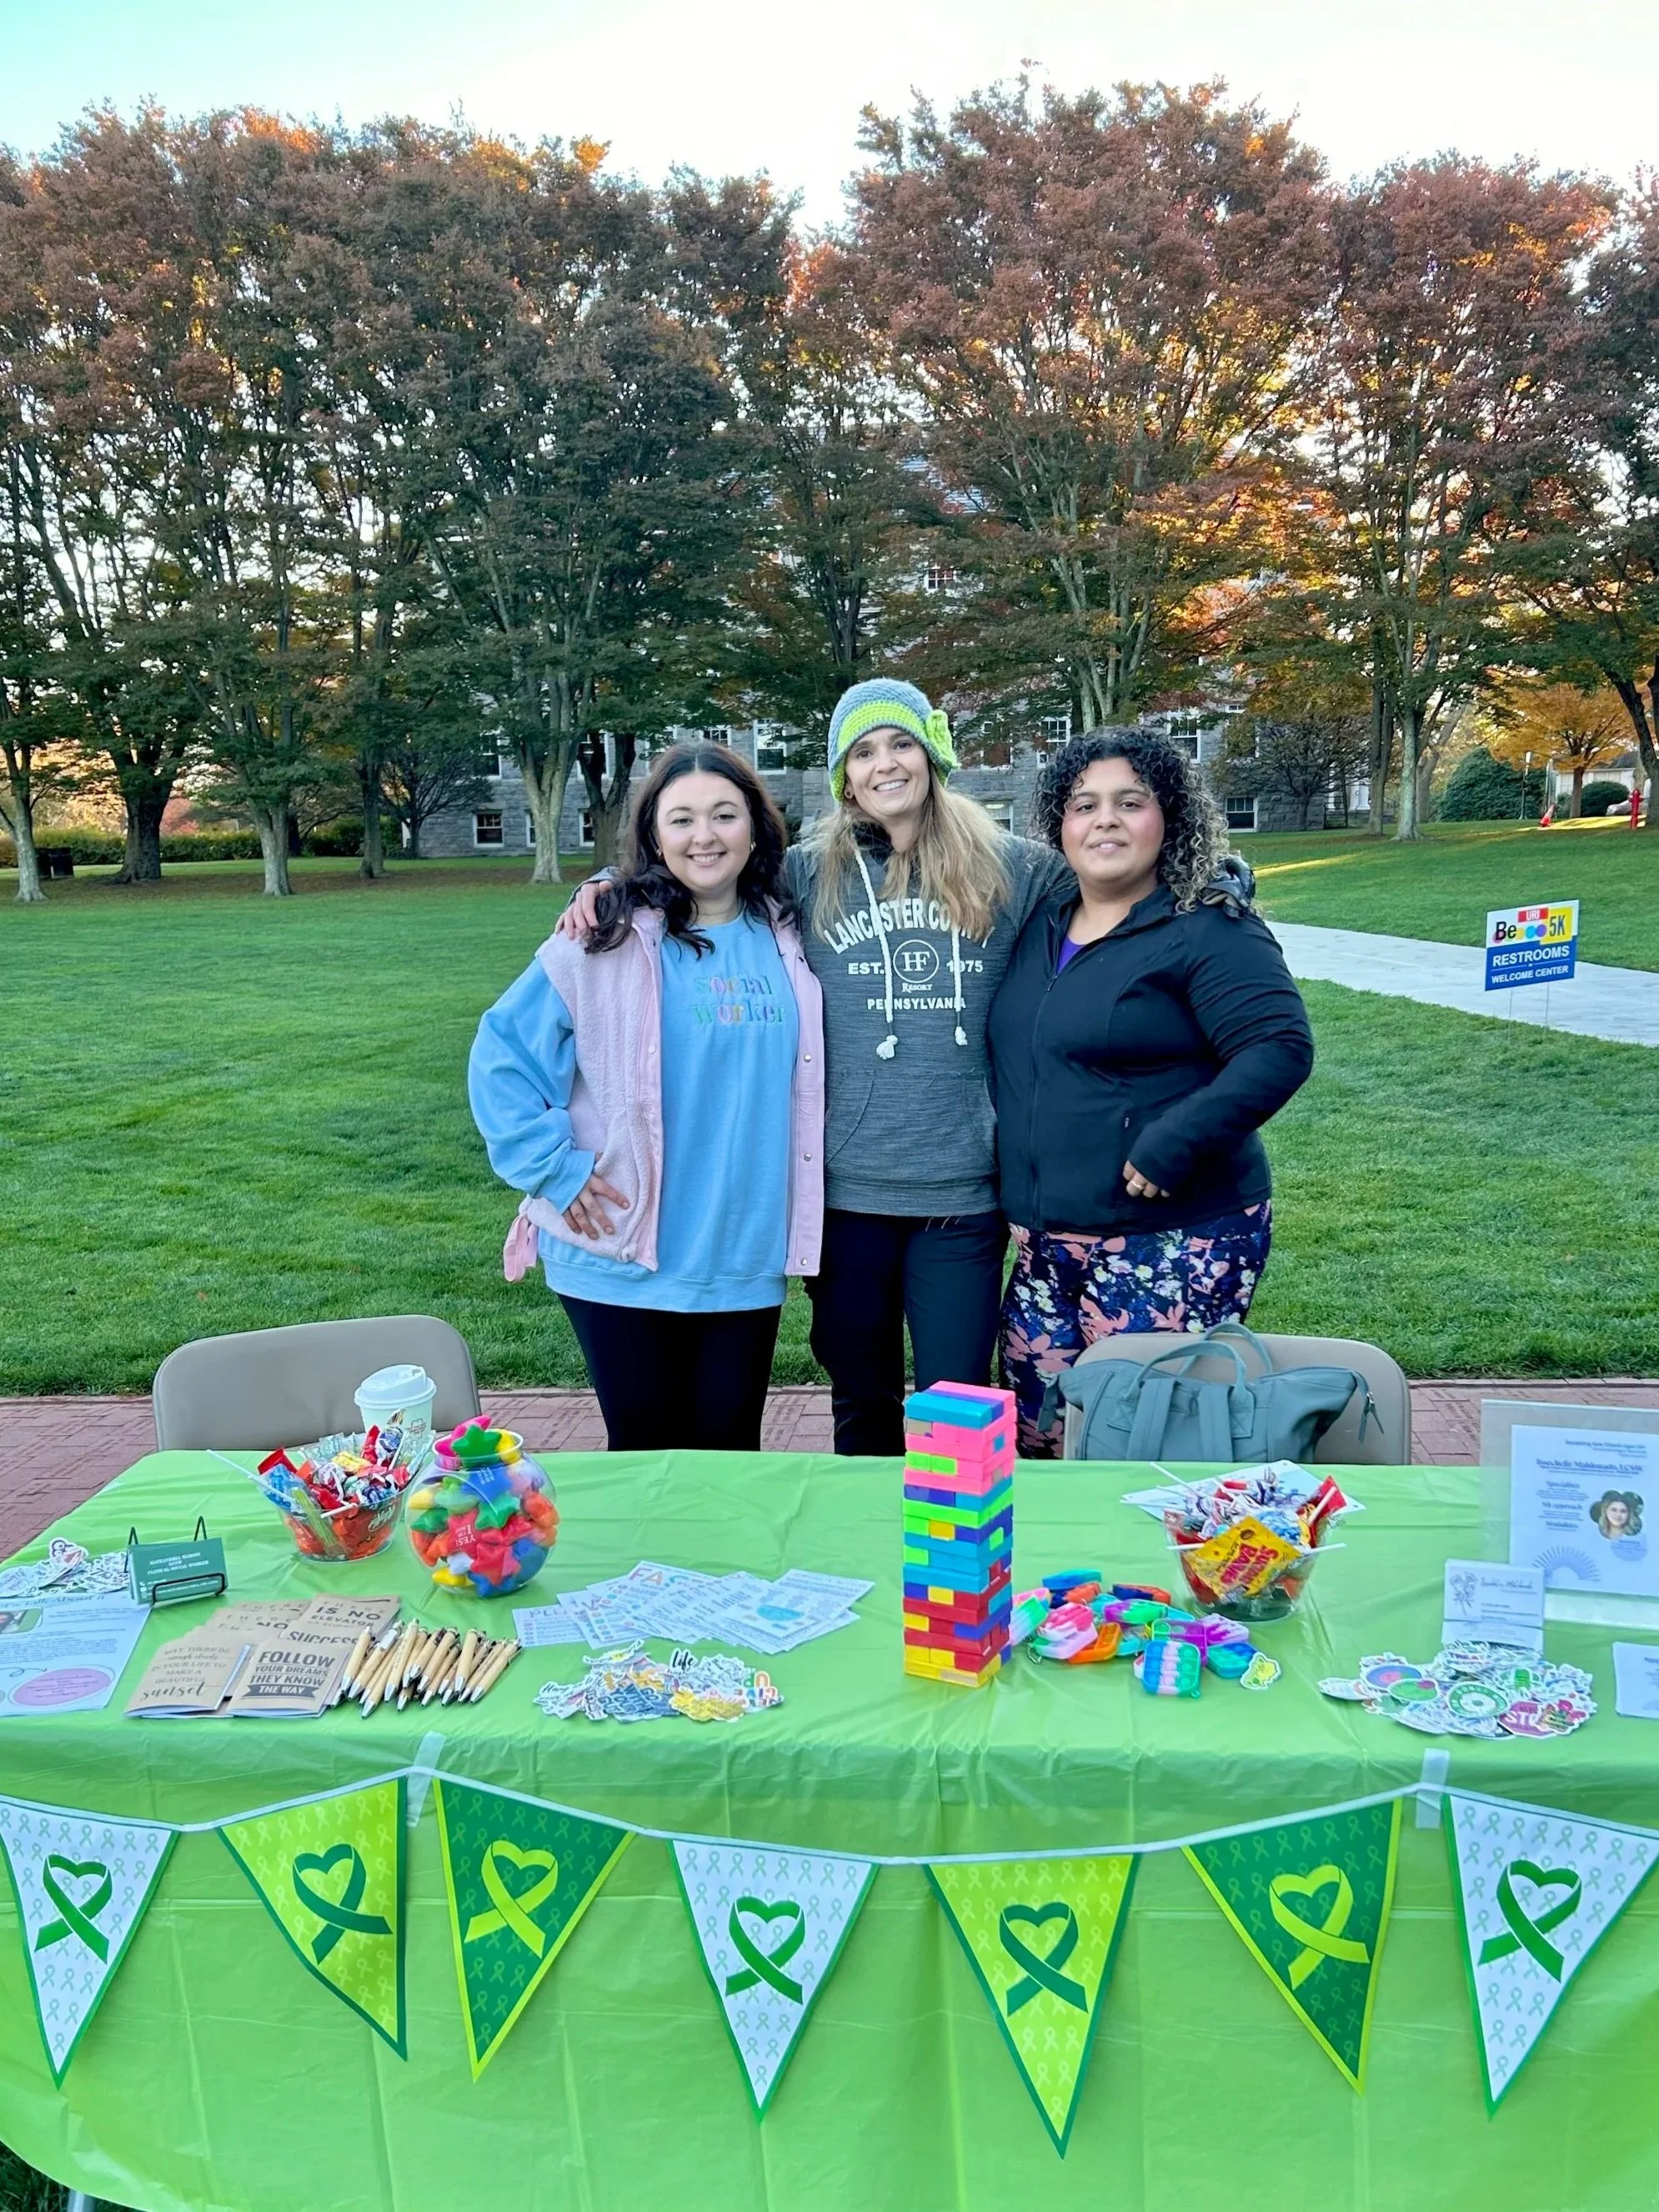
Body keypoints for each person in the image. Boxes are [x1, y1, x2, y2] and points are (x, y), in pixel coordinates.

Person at [559, 680, 1067, 1455]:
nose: (885, 764)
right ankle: (866, 1551)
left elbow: (1113, 881)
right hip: (843, 1192)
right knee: (860, 1394)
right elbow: (699, 874)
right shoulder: (804, 871)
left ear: (932, 754)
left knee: (959, 1400)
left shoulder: (1013, 866)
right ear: (844, 776)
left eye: (901, 744)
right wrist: (607, 888)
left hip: (961, 1190)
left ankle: (955, 1569)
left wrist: (1214, 883)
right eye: (863, 752)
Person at [469, 741, 824, 1452]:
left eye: (724, 815)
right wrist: (556, 1169)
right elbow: (501, 1056)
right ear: (654, 835)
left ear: (754, 826)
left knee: (729, 1457)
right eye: (682, 818)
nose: (704, 835)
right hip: (619, 1255)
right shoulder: (604, 936)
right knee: (646, 1455)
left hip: (741, 1257)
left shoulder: (792, 930)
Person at [987, 730, 1316, 1456]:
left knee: (1139, 1438)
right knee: (1039, 1431)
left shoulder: (1208, 927)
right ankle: (1061, 1574)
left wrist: (1175, 1140)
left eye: (1129, 803)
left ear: (1169, 819)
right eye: (1084, 805)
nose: (1105, 819)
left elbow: (1279, 1047)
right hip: (1048, 1240)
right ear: (1059, 825)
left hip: (1174, 1235)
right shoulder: (1040, 925)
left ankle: (1145, 1572)